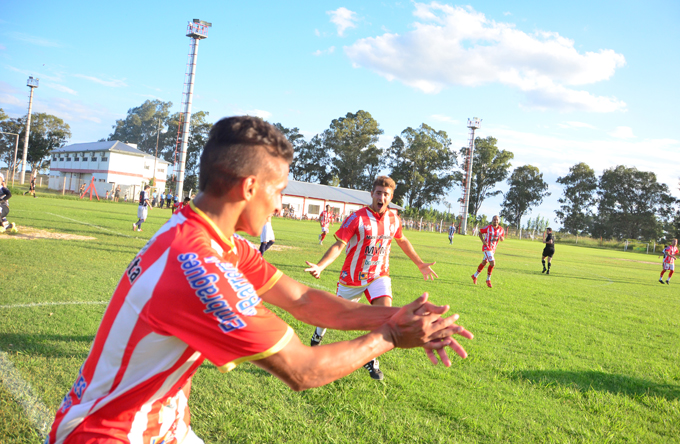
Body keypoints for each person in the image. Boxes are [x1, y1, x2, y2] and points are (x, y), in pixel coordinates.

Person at [46, 116, 471, 444]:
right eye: (279, 189)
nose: (281, 202)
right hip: (111, 434)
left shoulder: (207, 235)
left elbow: (303, 299)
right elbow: (303, 370)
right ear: (250, 187)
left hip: (160, 426)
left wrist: (403, 315)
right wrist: (393, 335)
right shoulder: (199, 266)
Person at [304, 175, 438, 380]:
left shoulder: (394, 218)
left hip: (379, 275)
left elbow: (402, 241)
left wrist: (420, 263)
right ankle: (317, 334)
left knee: (384, 316)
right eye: (378, 193)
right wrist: (321, 265)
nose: (381, 197)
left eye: (386, 194)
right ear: (372, 194)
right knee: (333, 317)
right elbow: (339, 245)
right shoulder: (357, 218)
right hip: (353, 279)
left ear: (391, 197)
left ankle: (370, 358)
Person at [471, 215, 505, 288]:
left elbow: (502, 238)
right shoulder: (488, 228)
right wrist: (483, 241)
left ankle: (474, 276)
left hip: (493, 249)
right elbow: (480, 232)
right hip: (486, 248)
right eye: (494, 219)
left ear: (499, 221)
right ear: (492, 220)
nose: (495, 221)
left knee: (484, 262)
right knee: (492, 263)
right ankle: (488, 280)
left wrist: (502, 238)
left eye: (497, 220)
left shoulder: (501, 229)